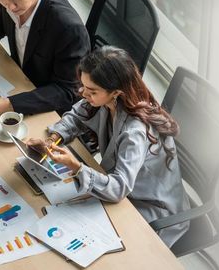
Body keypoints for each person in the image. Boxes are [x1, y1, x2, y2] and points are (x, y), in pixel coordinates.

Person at [25, 46, 190, 246]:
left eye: (91, 91)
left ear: (116, 92)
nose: (82, 93)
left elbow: (119, 188)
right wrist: (54, 138)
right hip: (121, 189)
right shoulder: (106, 100)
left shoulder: (135, 133)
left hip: (149, 206)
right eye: (83, 86)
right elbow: (76, 116)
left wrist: (76, 167)